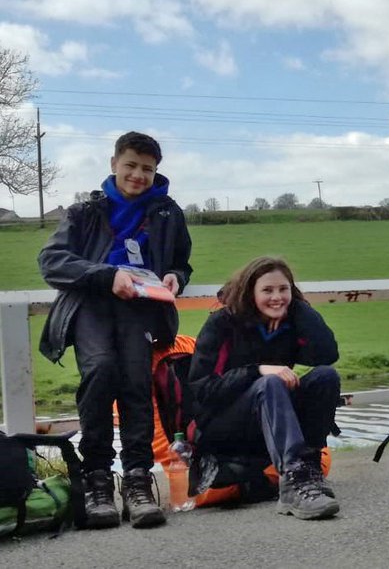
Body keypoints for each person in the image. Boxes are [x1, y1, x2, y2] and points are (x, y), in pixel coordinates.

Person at [37, 131, 192, 529]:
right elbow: (52, 260)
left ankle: (138, 482)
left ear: (156, 171)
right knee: (101, 372)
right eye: (131, 165)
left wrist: (175, 276)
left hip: (141, 310)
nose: (138, 175)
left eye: (147, 168)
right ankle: (98, 481)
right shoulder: (85, 211)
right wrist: (107, 275)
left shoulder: (167, 212)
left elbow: (180, 261)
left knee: (137, 385)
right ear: (114, 164)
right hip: (92, 306)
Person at [188, 257, 341, 520]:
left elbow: (326, 354)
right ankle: (292, 481)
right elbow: (203, 390)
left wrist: (300, 307)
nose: (277, 297)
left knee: (325, 377)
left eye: (284, 289)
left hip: (271, 417)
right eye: (267, 291)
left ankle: (309, 469)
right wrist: (257, 370)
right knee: (269, 382)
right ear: (250, 293)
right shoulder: (222, 324)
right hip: (223, 423)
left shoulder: (289, 321)